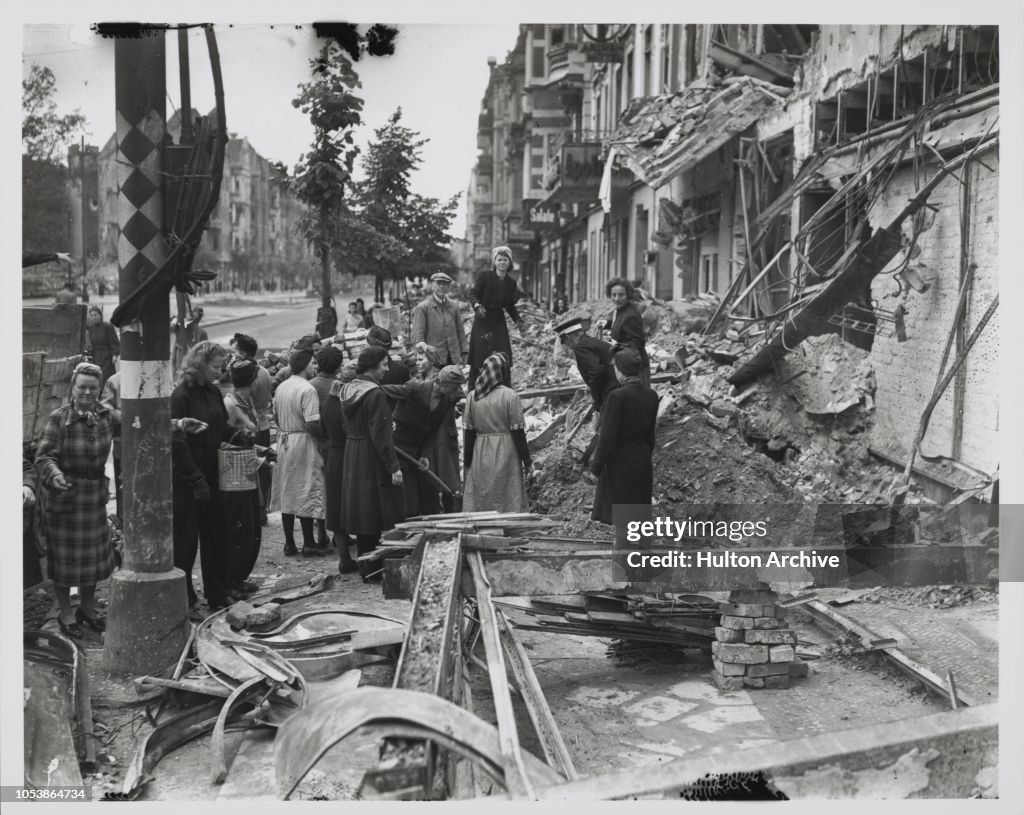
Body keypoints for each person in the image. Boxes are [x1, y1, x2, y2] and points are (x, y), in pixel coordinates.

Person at [35, 362, 118, 637]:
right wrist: (54, 473)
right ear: (73, 387)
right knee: (65, 561)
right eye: (82, 387)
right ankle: (66, 613)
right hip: (65, 498)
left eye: (93, 388)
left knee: (91, 560)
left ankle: (88, 608)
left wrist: (176, 424)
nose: (87, 392)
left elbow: (140, 422)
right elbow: (44, 457)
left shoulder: (106, 415)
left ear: (99, 389)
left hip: (93, 498)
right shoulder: (59, 418)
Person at [171, 342, 235, 610]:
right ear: (199, 364)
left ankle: (217, 594)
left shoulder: (213, 391)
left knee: (216, 535)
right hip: (188, 477)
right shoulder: (181, 396)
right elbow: (176, 441)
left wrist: (237, 435)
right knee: (186, 543)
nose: (220, 371)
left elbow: (220, 425)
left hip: (213, 471)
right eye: (215, 366)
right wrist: (195, 479)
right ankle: (184, 600)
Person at [339, 346, 405, 579]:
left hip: (352, 450)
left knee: (362, 509)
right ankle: (374, 568)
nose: (387, 369)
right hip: (370, 455)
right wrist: (394, 466)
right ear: (373, 366)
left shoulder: (347, 389)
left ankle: (366, 567)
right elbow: (381, 436)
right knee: (375, 510)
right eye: (384, 364)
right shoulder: (375, 394)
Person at [590, 349, 659, 549]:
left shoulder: (617, 397)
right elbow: (651, 435)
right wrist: (645, 454)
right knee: (640, 515)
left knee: (623, 520)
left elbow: (607, 436)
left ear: (620, 371)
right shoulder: (651, 395)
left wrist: (596, 467)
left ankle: (625, 566)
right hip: (642, 458)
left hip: (621, 462)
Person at [383, 365, 466, 517]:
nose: (457, 391)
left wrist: (426, 455)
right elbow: (385, 391)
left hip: (419, 447)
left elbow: (432, 431)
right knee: (408, 494)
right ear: (443, 383)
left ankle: (430, 523)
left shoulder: (446, 401)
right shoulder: (416, 388)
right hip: (399, 444)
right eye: (454, 387)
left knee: (429, 494)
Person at [271, 347, 329, 557]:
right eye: (313, 364)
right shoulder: (307, 389)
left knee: (288, 491)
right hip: (303, 441)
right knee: (306, 489)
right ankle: (309, 543)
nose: (315, 367)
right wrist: (323, 438)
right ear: (305, 365)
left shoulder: (282, 387)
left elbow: (275, 417)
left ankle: (289, 543)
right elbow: (312, 422)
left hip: (284, 440)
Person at [462, 352, 531, 513]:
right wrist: (527, 460)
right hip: (506, 449)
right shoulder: (510, 396)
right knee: (506, 488)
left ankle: (484, 524)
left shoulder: (473, 397)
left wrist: (466, 461)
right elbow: (518, 432)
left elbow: (468, 433)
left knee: (483, 488)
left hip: (481, 451)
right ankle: (508, 523)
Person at [222, 358, 266, 593]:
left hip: (248, 469)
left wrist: (260, 452)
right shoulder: (230, 404)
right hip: (234, 476)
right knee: (241, 527)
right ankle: (232, 579)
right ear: (253, 381)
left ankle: (239, 576)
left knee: (252, 526)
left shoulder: (245, 401)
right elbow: (224, 439)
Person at [468, 246, 524, 390]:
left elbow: (509, 305)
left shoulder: (511, 283)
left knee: (503, 354)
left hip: (498, 322)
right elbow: (473, 293)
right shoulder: (485, 276)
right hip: (483, 319)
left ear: (509, 263)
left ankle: (504, 390)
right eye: (499, 260)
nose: (502, 263)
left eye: (505, 260)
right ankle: (473, 391)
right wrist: (476, 306)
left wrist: (517, 319)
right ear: (495, 262)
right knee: (479, 357)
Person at [231, 333, 273, 524]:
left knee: (251, 470)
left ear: (244, 354)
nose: (233, 356)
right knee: (262, 469)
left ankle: (254, 512)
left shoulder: (247, 375)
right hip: (262, 424)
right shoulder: (264, 371)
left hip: (249, 426)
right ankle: (261, 511)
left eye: (235, 352)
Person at [323, 362, 360, 574]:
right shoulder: (349, 402)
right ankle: (359, 557)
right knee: (356, 504)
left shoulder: (330, 400)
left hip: (334, 455)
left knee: (336, 506)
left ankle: (344, 558)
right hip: (349, 454)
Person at [310, 345, 346, 548]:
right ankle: (340, 533)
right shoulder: (342, 386)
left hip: (317, 443)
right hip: (337, 445)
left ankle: (322, 530)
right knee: (337, 491)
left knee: (320, 488)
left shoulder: (310, 385)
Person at [554, 316, 618, 412]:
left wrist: (596, 399)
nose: (567, 346)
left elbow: (596, 372)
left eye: (565, 343)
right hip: (617, 388)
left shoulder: (580, 347)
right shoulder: (592, 341)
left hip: (610, 393)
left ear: (568, 338)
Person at [600, 278, 650, 386]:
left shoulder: (631, 315)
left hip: (636, 368)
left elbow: (638, 342)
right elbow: (618, 324)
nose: (617, 299)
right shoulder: (619, 311)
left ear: (628, 295)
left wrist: (615, 346)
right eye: (613, 295)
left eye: (621, 295)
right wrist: (606, 325)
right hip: (625, 365)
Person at [411, 271, 468, 367]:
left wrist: (464, 352)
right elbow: (418, 336)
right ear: (432, 285)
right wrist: (423, 356)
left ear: (448, 287)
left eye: (445, 284)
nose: (442, 286)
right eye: (438, 283)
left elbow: (460, 332)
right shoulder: (423, 307)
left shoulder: (453, 306)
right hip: (434, 360)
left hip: (453, 358)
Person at [100, 371, 123, 520]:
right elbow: (105, 410)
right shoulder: (115, 380)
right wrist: (126, 415)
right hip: (122, 442)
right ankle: (122, 520)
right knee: (123, 485)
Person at [85, 305, 120, 384]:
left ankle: (108, 395)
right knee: (97, 377)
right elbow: (90, 343)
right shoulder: (91, 328)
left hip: (106, 356)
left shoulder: (108, 326)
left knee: (106, 378)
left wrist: (114, 354)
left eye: (96, 315)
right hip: (96, 356)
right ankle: (99, 395)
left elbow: (114, 341)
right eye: (92, 315)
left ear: (100, 316)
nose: (94, 317)